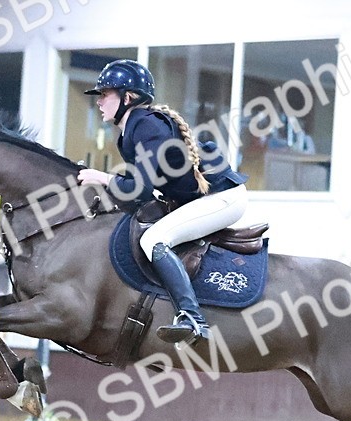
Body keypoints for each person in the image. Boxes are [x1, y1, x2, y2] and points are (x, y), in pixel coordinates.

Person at [77, 59, 248, 344]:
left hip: (224, 198)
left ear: (127, 97)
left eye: (105, 94)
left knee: (154, 240)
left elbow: (140, 190)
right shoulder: (133, 130)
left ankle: (192, 318)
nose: (99, 101)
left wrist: (103, 178)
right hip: (208, 198)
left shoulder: (145, 126)